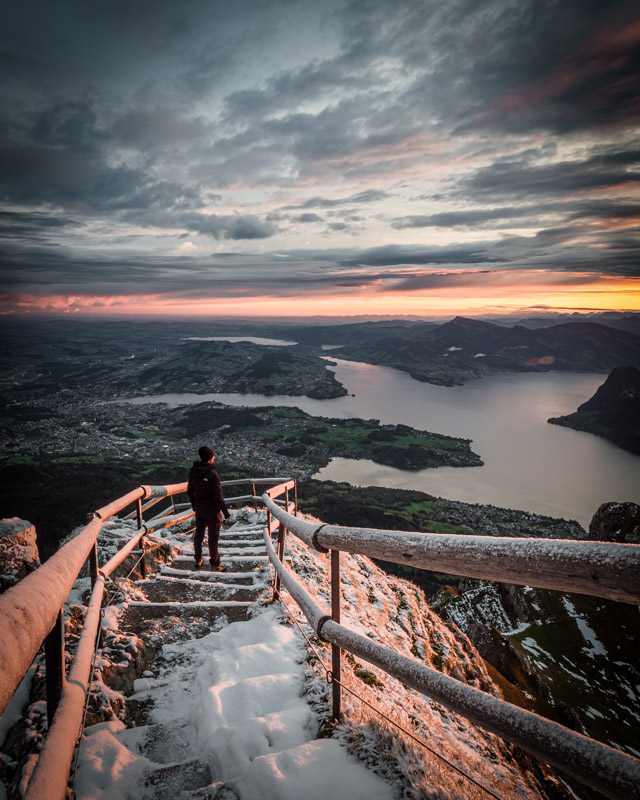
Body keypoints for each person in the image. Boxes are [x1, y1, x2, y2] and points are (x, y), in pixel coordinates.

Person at [187, 446, 231, 571]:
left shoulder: (193, 472)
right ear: (210, 457)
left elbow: (189, 491)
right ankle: (215, 563)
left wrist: (194, 506)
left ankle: (197, 559)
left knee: (198, 536)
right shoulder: (213, 474)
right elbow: (218, 496)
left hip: (200, 509)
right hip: (212, 511)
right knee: (213, 538)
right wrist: (225, 512)